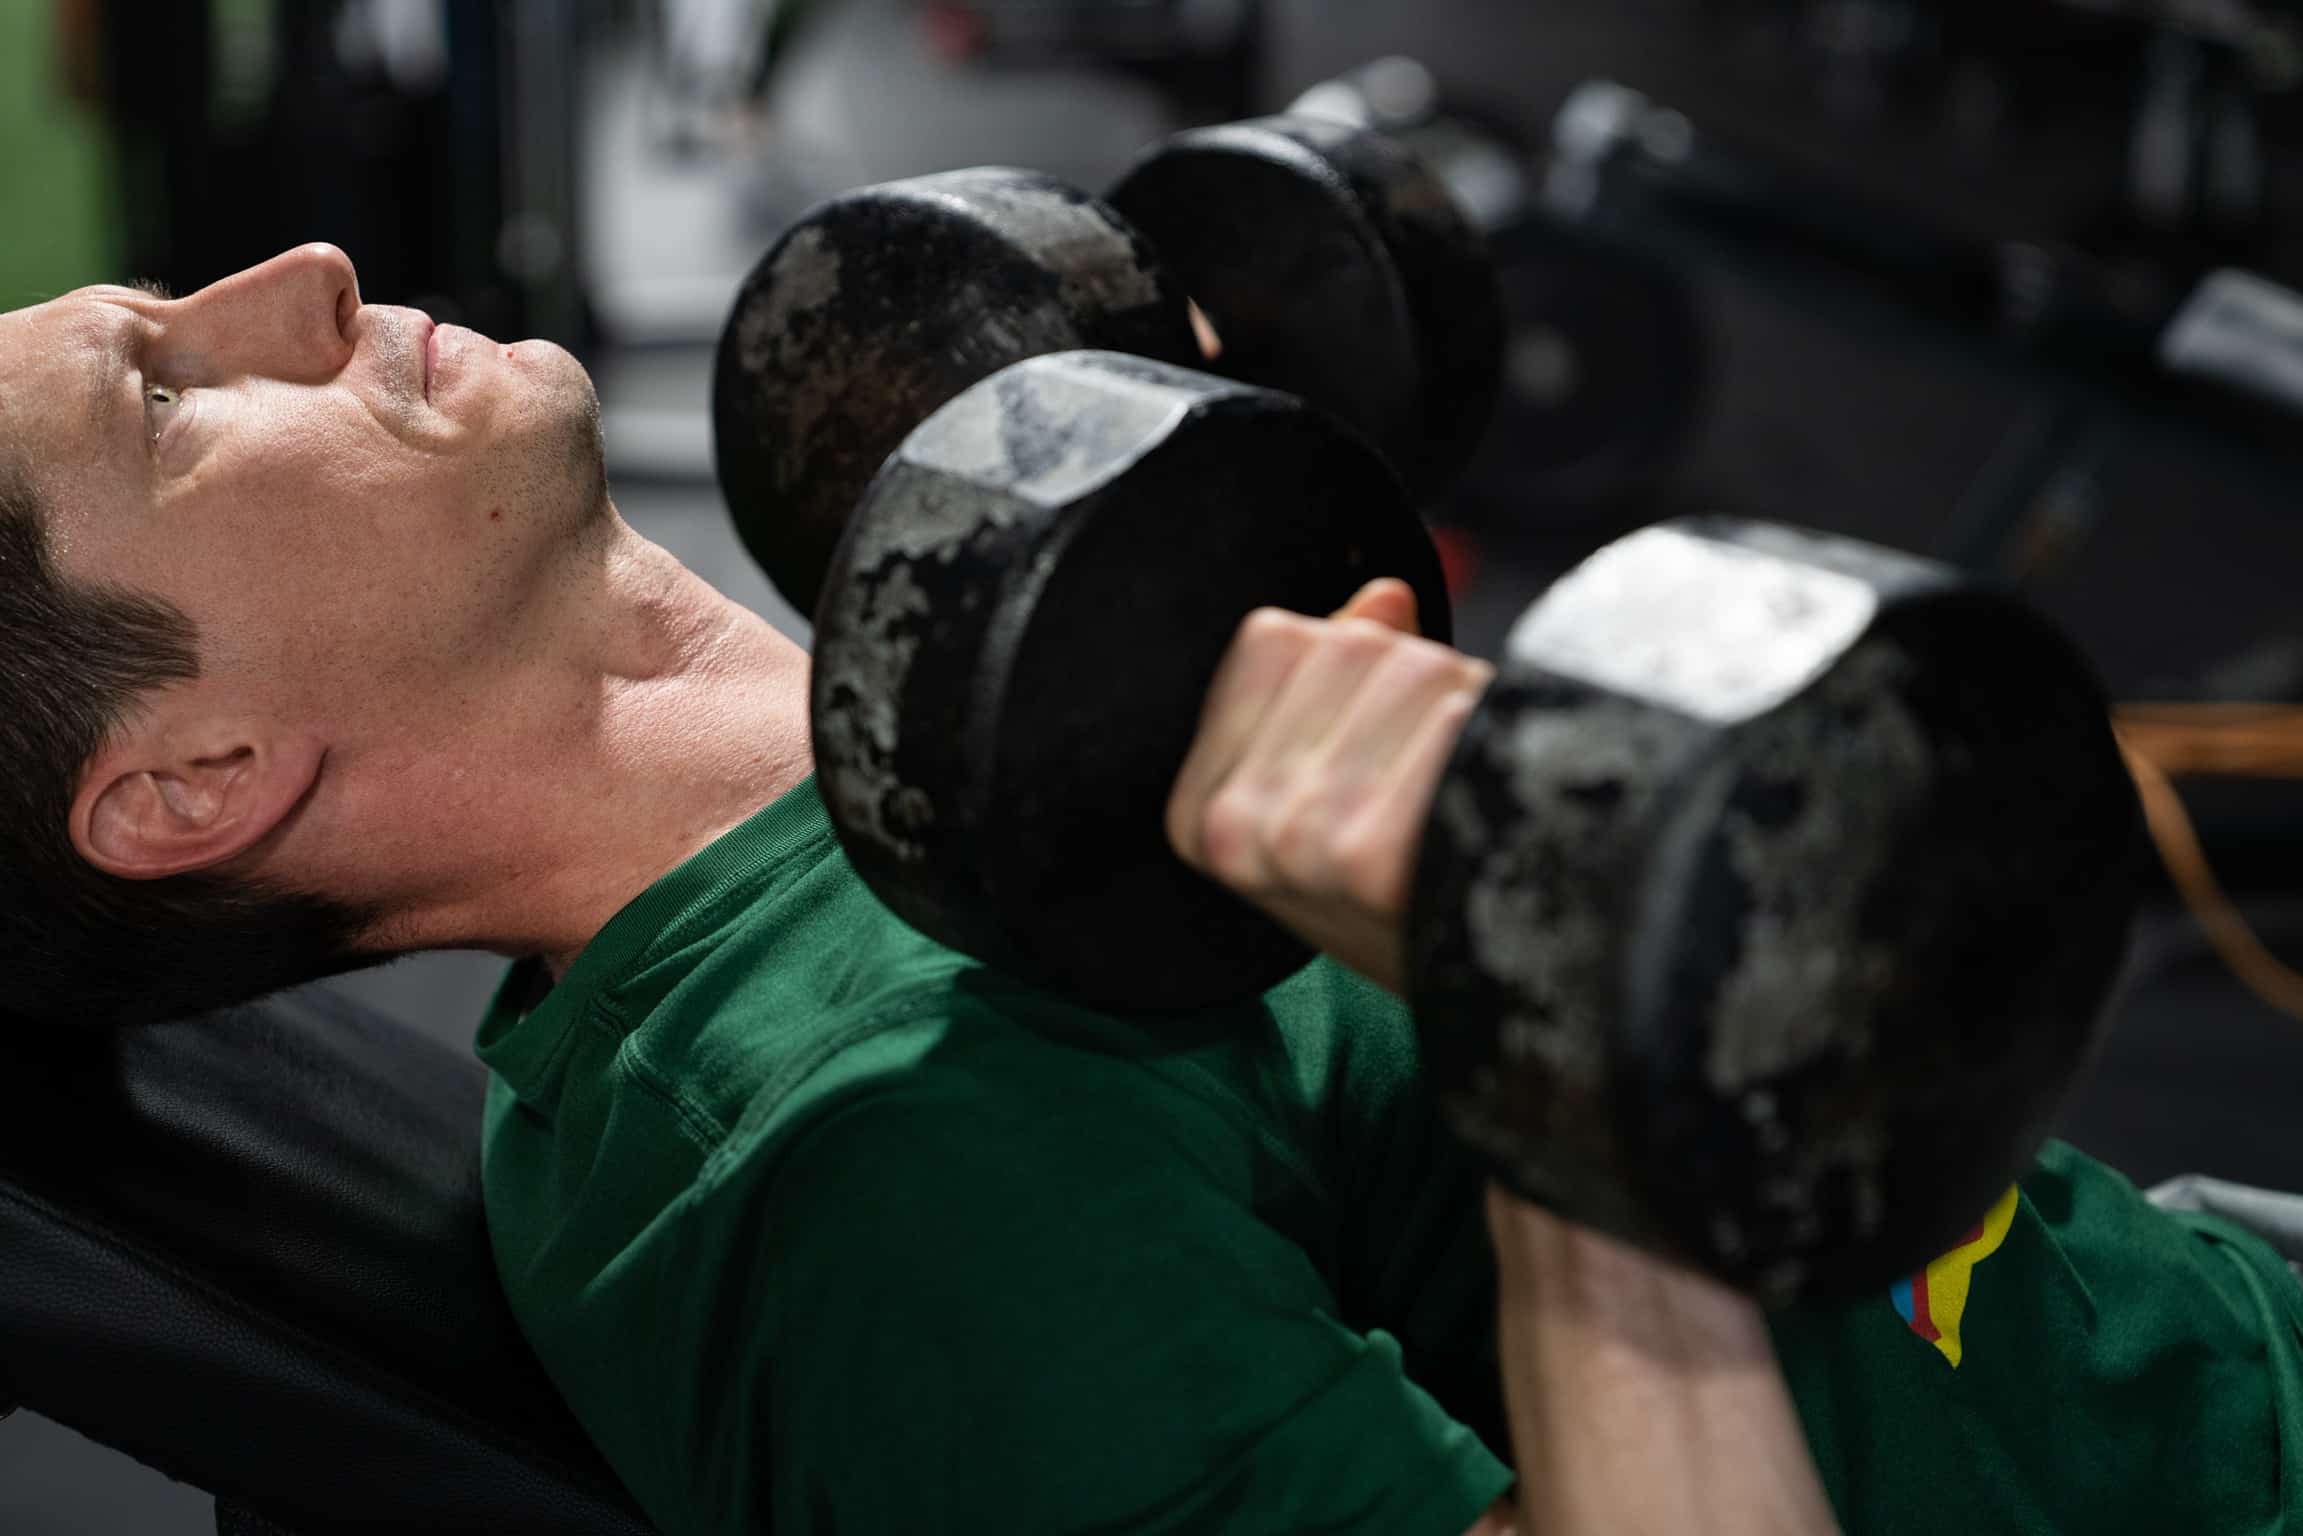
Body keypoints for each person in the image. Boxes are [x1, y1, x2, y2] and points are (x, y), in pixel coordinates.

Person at [2, 244, 2298, 1535]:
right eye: (169, 404)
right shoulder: (867, 1179)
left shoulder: (890, 750)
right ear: (192, 781)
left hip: (2177, 1305)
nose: (291, 282)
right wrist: (1565, 1077)